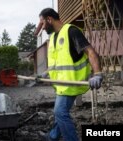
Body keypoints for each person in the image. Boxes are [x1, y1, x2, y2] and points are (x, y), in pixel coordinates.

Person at [34, 8, 103, 141]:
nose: (41, 28)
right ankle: (53, 136)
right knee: (59, 112)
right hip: (61, 84)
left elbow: (90, 51)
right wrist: (44, 74)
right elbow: (57, 64)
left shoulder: (71, 31)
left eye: (42, 23)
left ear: (49, 19)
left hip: (71, 83)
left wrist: (98, 74)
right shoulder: (54, 37)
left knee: (60, 112)